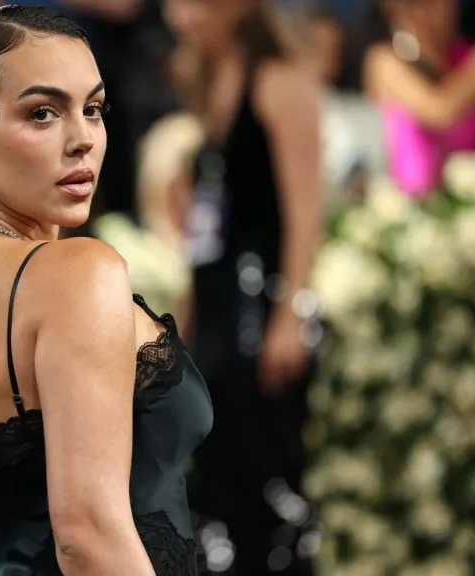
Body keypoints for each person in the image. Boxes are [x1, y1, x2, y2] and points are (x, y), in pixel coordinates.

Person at [0, 6, 213, 575]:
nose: (83, 140)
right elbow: (87, 536)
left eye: (93, 109)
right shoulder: (78, 273)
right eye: (42, 113)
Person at [163, 0, 322, 574]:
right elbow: (207, 229)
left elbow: (306, 211)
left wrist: (291, 314)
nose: (181, 17)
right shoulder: (208, 78)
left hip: (262, 305)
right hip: (217, 307)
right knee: (218, 477)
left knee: (268, 483)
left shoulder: (279, 79)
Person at [359, 0, 475, 195]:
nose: (447, 10)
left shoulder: (466, 55)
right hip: (416, 202)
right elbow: (441, 111)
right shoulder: (383, 61)